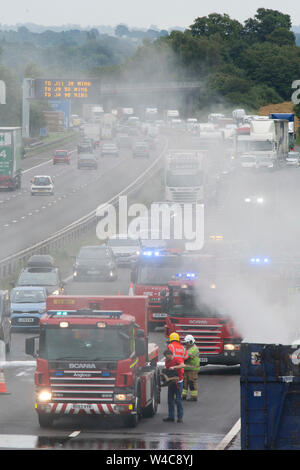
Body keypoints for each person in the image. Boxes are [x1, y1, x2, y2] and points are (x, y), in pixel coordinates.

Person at [162, 348, 185, 423]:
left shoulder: (176, 360)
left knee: (178, 400)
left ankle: (180, 417)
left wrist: (174, 367)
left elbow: (182, 365)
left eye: (166, 356)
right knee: (170, 400)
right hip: (171, 382)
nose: (166, 358)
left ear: (170, 354)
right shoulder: (167, 361)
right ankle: (171, 416)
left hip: (178, 382)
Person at [182, 335, 200, 401]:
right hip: (186, 368)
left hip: (193, 369)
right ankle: (183, 396)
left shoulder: (194, 349)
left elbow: (186, 356)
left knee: (191, 382)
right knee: (184, 382)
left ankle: (194, 397)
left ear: (190, 342)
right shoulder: (187, 348)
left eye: (186, 342)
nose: (185, 344)